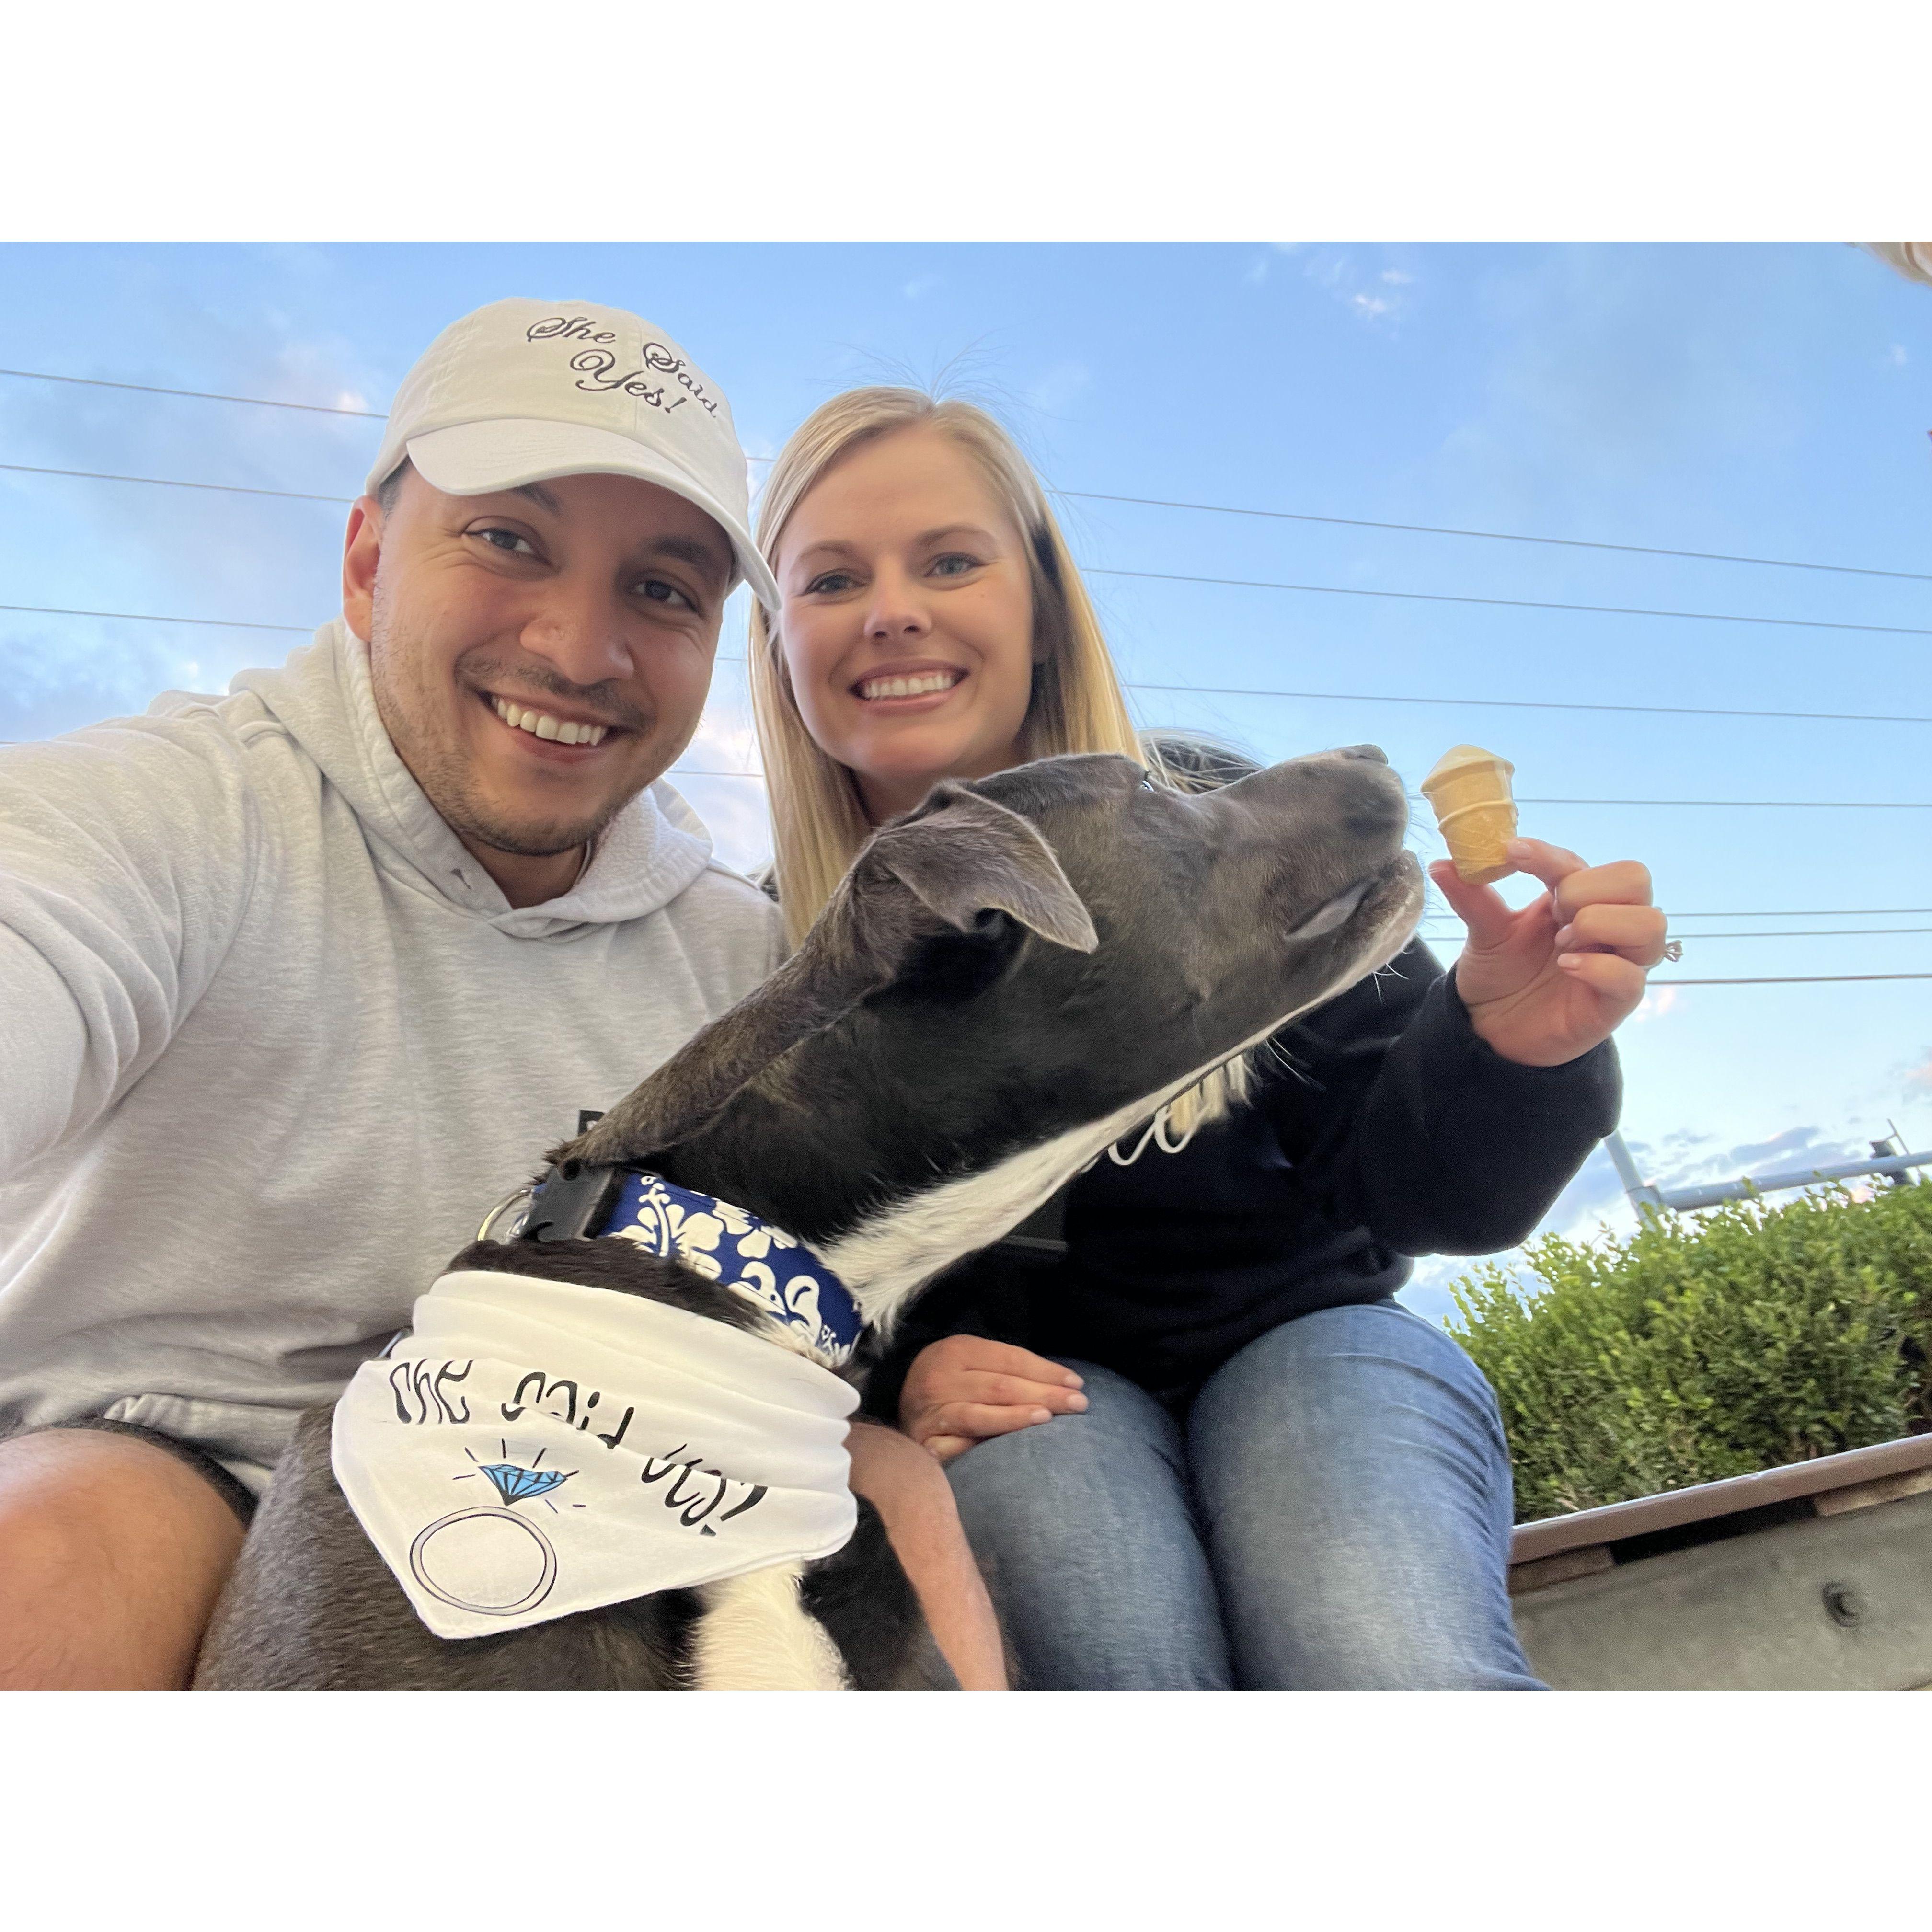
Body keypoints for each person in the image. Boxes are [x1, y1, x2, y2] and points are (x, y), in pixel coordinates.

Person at [0, 301, 1001, 1690]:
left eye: (662, 590)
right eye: (510, 540)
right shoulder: (179, 815)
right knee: (46, 1552)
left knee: (880, 1486)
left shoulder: (734, 964)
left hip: (585, 1485)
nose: (579, 650)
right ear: (366, 563)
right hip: (175, 1474)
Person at [748, 386, 1670, 1689]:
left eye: (951, 560)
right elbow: (765, 1269)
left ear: (1042, 601)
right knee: (1115, 1658)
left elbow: (1421, 1194)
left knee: (1381, 1652)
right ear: (779, 636)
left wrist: (1510, 1044)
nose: (895, 606)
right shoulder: (777, 954)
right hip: (1028, 1394)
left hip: (1312, 1342)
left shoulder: (1216, 816)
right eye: (834, 577)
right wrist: (902, 1371)